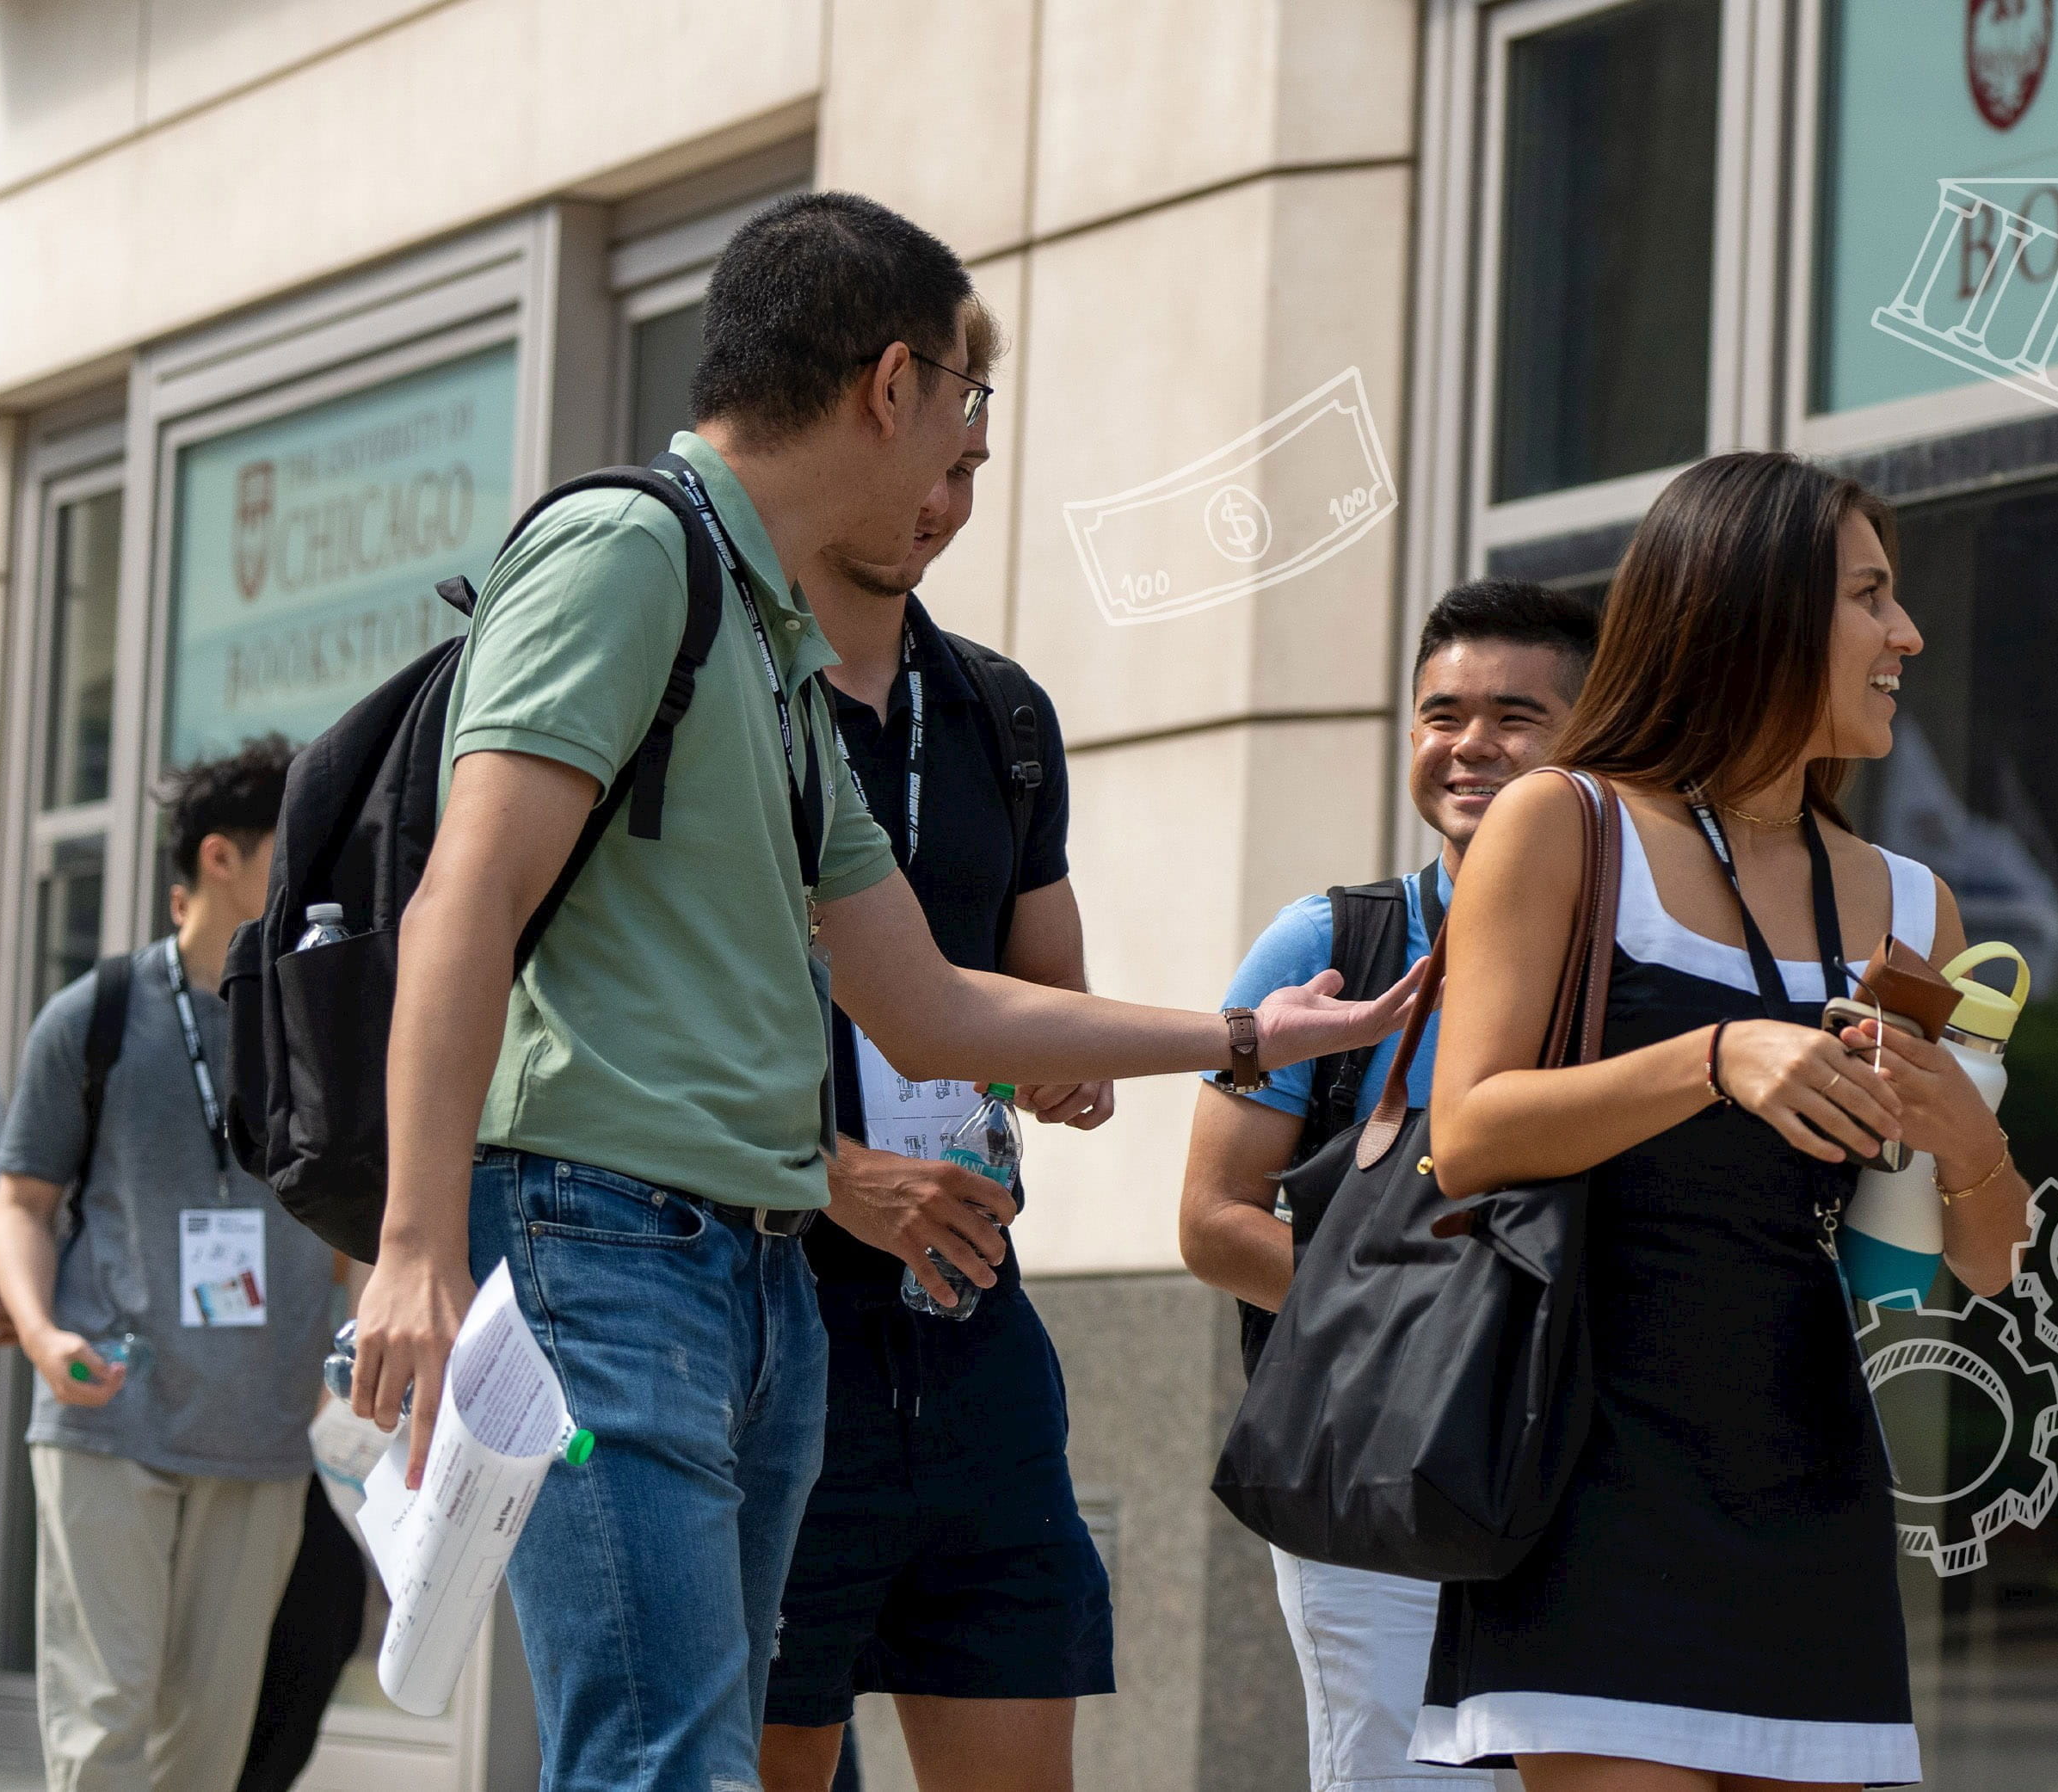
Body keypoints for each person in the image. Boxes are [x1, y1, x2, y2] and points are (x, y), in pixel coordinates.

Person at [342, 191, 1414, 1792]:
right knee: (665, 1762)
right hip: (598, 1240)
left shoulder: (765, 641)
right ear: (893, 382)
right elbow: (465, 897)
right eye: (967, 412)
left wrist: (1251, 1034)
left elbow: (931, 1004)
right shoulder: (628, 551)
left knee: (686, 1757)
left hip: (756, 1281)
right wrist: (417, 1248)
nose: (963, 461)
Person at [1414, 452, 2027, 1786]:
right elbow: (1463, 1132)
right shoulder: (1564, 823)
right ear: (1754, 609)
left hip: (1813, 1476)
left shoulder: (1915, 906)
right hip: (1593, 1470)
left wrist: (1969, 1145)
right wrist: (1711, 1053)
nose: (1906, 634)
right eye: (1871, 596)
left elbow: (1975, 1258)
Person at [753, 299, 1125, 1792]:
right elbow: (617, 1012)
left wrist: (1071, 1061)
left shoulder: (1000, 714)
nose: (941, 503)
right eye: (924, 458)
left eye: (971, 470)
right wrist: (824, 1169)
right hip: (770, 1324)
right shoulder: (724, 691)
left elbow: (1045, 984)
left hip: (975, 1326)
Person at [1180, 576, 1597, 1792]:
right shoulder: (1330, 941)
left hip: (1595, 1462)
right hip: (1372, 1467)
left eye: (1515, 714)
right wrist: (1419, 1323)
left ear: (1593, 734)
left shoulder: (1641, 946)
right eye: (1442, 713)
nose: (1471, 745)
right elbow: (1212, 1220)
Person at [0, 738, 344, 1792]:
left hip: (265, 1438)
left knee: (207, 1749)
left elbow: (353, 1229)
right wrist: (47, 1335)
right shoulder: (93, 1017)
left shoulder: (314, 1022)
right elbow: (21, 1202)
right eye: (290, 846)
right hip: (112, 1412)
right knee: (102, 1727)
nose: (309, 870)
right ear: (219, 858)